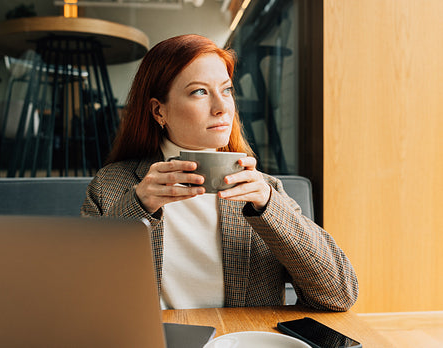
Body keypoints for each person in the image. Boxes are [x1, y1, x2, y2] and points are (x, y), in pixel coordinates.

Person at [81, 34, 358, 311]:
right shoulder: (111, 185)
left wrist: (269, 206)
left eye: (226, 90)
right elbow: (80, 293)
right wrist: (138, 207)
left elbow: (339, 294)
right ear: (158, 111)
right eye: (199, 91)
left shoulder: (263, 190)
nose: (222, 107)